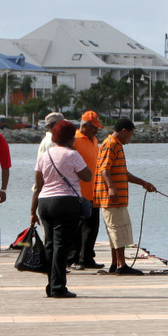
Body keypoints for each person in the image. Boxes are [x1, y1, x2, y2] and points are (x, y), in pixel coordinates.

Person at [31, 120, 91, 298]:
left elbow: (38, 185)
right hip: (66, 202)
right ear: (70, 137)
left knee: (50, 244)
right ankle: (58, 287)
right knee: (62, 246)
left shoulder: (45, 155)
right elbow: (87, 176)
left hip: (45, 203)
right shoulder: (72, 154)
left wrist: (32, 212)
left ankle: (51, 285)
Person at [94, 118, 156, 275]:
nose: (130, 139)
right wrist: (111, 188)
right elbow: (104, 170)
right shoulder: (111, 144)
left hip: (117, 197)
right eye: (130, 135)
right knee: (118, 230)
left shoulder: (116, 145)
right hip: (112, 198)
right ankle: (122, 265)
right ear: (124, 131)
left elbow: (123, 173)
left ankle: (115, 264)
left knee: (116, 230)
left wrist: (143, 183)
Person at [69, 111, 105, 270]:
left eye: (97, 128)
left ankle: (87, 257)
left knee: (92, 227)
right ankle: (74, 258)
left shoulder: (95, 140)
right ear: (84, 126)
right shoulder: (75, 141)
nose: (96, 131)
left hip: (95, 191)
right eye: (94, 127)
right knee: (78, 229)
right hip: (79, 192)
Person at [33, 112, 65, 192]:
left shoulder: (47, 140)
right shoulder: (53, 141)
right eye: (61, 124)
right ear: (52, 125)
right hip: (51, 189)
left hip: (46, 188)